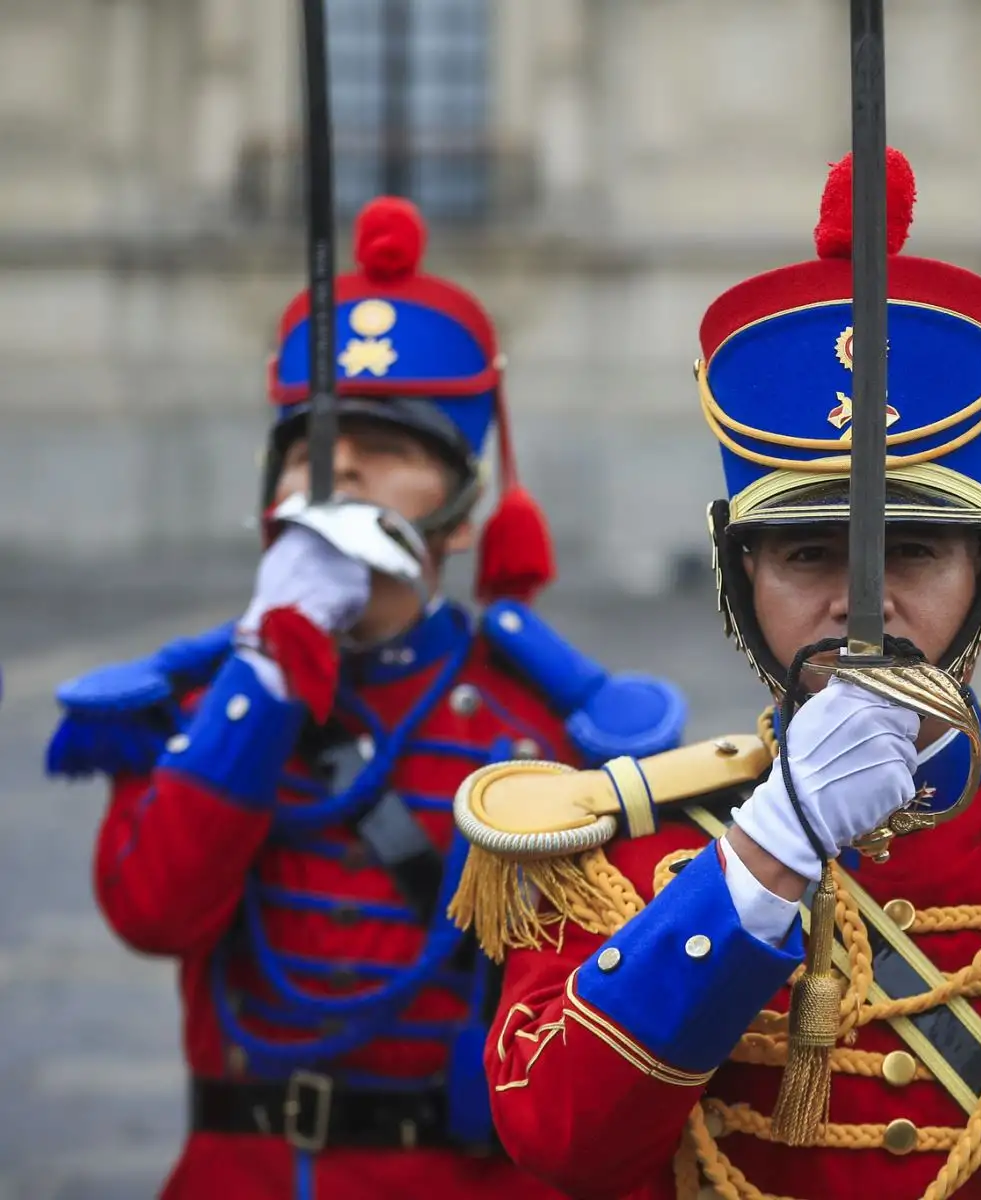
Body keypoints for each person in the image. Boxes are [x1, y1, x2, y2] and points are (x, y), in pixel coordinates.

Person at [447, 150, 981, 1200]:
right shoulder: (627, 863)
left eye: (911, 553)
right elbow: (559, 1138)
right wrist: (764, 858)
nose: (860, 608)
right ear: (740, 586)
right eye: (808, 555)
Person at [46, 197, 686, 1199]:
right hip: (250, 1171)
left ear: (463, 515)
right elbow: (153, 913)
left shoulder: (545, 727)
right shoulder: (203, 704)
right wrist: (265, 674)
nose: (340, 464)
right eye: (309, 447)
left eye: (388, 443)